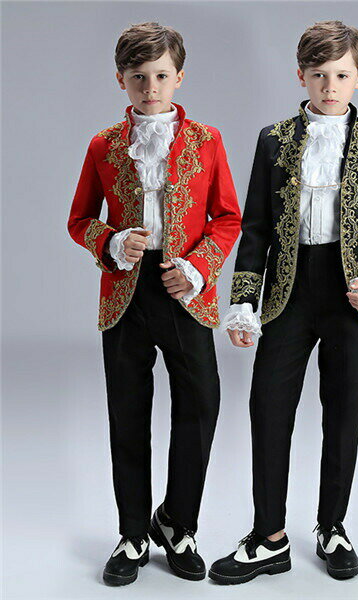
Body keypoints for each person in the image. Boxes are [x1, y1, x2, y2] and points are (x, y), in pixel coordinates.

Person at [208, 20, 358, 584]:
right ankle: (268, 536)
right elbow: (255, 228)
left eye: (342, 75)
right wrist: (244, 301)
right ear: (300, 75)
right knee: (268, 409)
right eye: (319, 74)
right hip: (287, 292)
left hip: (351, 295)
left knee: (343, 413)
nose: (330, 86)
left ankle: (332, 526)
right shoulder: (273, 139)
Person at [67, 21, 241, 586]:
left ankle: (177, 522)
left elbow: (227, 217)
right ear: (121, 79)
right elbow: (79, 219)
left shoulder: (207, 140)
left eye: (161, 76)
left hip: (183, 288)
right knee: (128, 411)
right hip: (125, 292)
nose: (150, 87)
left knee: (202, 403)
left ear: (179, 77)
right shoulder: (103, 144)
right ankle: (132, 533)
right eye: (138, 77)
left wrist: (197, 267)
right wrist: (112, 241)